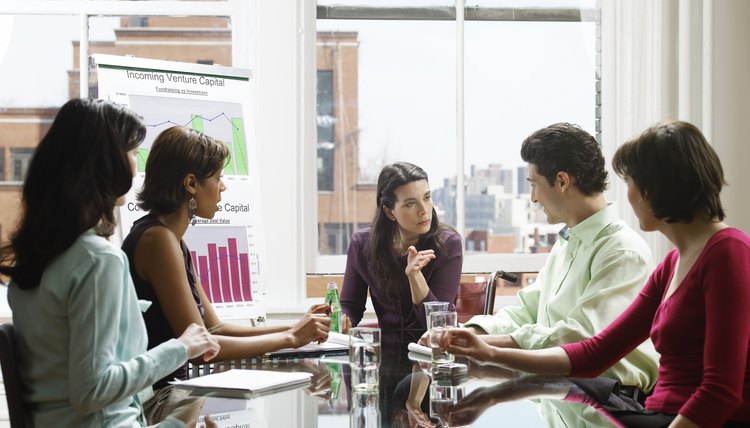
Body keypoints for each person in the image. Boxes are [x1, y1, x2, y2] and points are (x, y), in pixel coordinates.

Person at [441, 120, 750, 427]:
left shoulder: (728, 251)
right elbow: (593, 354)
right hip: (655, 414)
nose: (627, 194)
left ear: (657, 187)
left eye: (631, 181)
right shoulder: (671, 265)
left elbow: (720, 392)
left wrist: (492, 352)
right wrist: (486, 352)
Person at [0, 98, 220, 427]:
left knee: (198, 399)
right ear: (106, 164)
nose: (136, 166)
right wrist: (180, 348)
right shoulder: (98, 261)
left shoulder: (35, 262)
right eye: (132, 153)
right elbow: (92, 390)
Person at [426, 122, 659, 396]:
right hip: (562, 394)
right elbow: (526, 311)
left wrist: (487, 347)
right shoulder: (568, 242)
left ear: (562, 181)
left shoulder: (621, 253)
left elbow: (577, 338)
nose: (534, 198)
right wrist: (469, 332)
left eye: (534, 185)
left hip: (609, 403)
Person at [121, 126, 331, 421]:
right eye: (218, 177)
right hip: (158, 403)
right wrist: (290, 339)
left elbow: (214, 329)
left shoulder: (173, 241)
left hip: (177, 395)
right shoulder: (158, 241)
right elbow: (202, 349)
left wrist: (293, 328)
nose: (224, 187)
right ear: (191, 183)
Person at [341, 161, 463, 331]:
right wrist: (341, 320)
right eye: (410, 203)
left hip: (432, 351)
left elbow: (440, 324)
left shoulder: (448, 243)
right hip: (384, 353)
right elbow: (350, 305)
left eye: (427, 198)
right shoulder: (361, 244)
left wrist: (415, 276)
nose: (423, 210)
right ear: (389, 211)